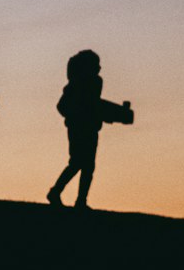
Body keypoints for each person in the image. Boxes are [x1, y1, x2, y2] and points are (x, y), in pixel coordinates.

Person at [46, 49, 133, 210]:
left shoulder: (91, 82)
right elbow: (66, 106)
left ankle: (80, 200)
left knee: (87, 165)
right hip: (79, 128)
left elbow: (94, 105)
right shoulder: (79, 84)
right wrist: (78, 116)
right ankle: (57, 192)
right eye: (96, 65)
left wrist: (114, 114)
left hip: (90, 128)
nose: (99, 68)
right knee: (78, 163)